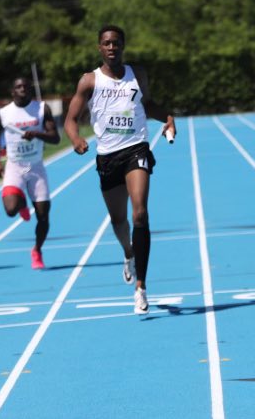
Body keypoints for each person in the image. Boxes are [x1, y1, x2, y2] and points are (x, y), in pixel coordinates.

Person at [65, 26, 175, 315]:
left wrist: (168, 118)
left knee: (140, 213)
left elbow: (148, 104)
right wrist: (76, 139)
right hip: (107, 157)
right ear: (99, 48)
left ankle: (141, 286)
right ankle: (128, 252)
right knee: (118, 219)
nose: (111, 47)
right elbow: (71, 119)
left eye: (116, 43)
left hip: (136, 149)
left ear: (123, 46)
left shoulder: (137, 74)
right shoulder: (89, 81)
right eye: (106, 43)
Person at [0, 76, 60, 269]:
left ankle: (37, 249)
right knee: (11, 210)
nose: (22, 89)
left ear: (31, 90)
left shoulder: (41, 109)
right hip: (14, 166)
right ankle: (21, 203)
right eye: (18, 86)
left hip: (36, 167)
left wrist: (36, 134)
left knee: (43, 216)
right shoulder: (3, 114)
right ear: (12, 91)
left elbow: (55, 138)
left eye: (26, 86)